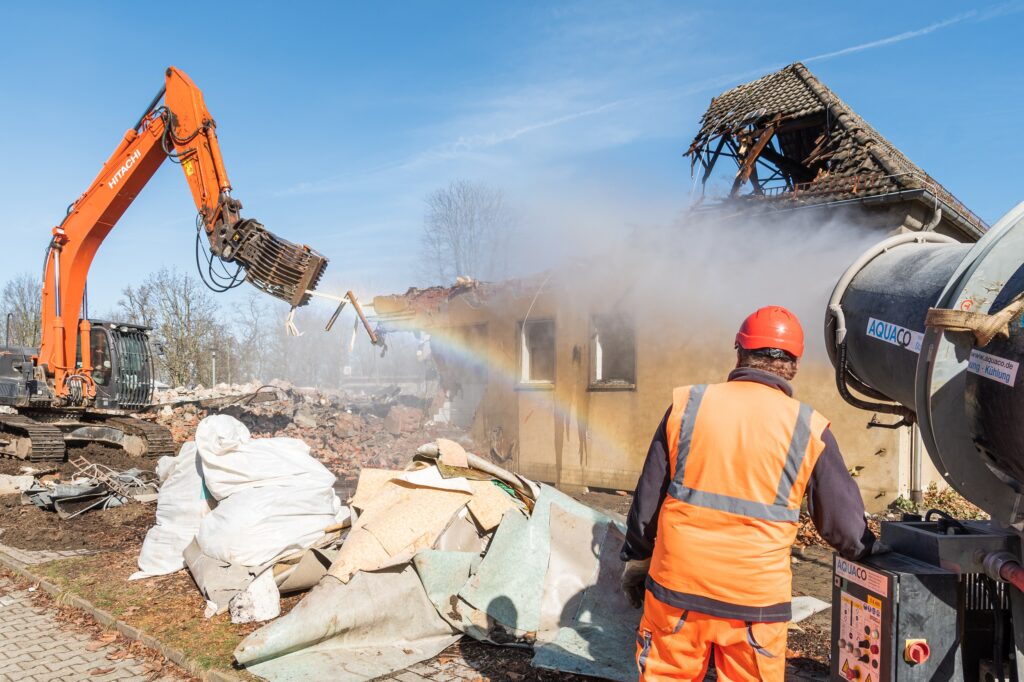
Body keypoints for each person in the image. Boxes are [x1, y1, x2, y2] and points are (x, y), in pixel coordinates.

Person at [620, 305, 882, 681]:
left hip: (678, 590)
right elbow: (842, 526)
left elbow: (647, 503)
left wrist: (637, 559)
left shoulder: (687, 407)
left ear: (740, 352)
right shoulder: (809, 427)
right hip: (756, 604)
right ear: (792, 365)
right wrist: (869, 550)